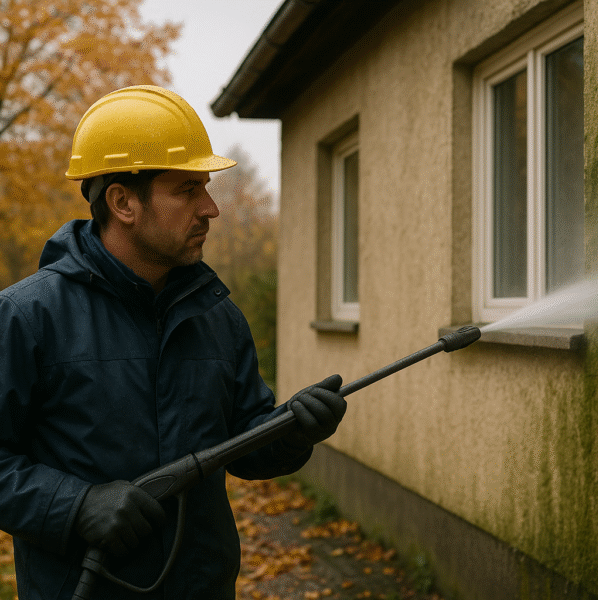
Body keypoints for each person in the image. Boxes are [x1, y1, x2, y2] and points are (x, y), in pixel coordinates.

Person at [0, 85, 347, 600]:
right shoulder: (28, 316)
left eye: (204, 188)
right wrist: (74, 505)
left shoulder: (217, 316)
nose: (211, 208)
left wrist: (293, 430)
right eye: (187, 190)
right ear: (123, 202)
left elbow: (243, 445)